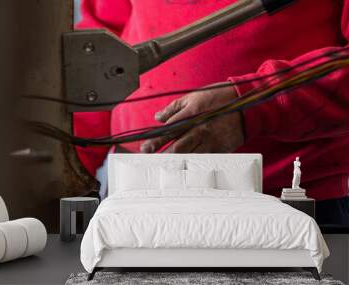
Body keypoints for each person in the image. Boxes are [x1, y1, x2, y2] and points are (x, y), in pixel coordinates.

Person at [74, 0, 349, 224]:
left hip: (287, 203)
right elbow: (99, 48)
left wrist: (253, 106)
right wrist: (72, 169)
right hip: (135, 196)